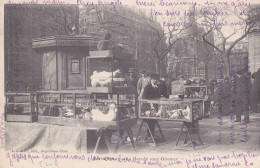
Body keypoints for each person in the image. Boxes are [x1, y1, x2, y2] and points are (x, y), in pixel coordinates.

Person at [142, 74, 161, 141]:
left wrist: (156, 90)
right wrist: (148, 107)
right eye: (154, 79)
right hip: (147, 107)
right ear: (151, 80)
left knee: (153, 121)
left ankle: (151, 134)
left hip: (154, 106)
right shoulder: (147, 87)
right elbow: (144, 98)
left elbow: (158, 97)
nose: (156, 80)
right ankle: (149, 135)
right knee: (150, 120)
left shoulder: (157, 87)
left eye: (156, 79)